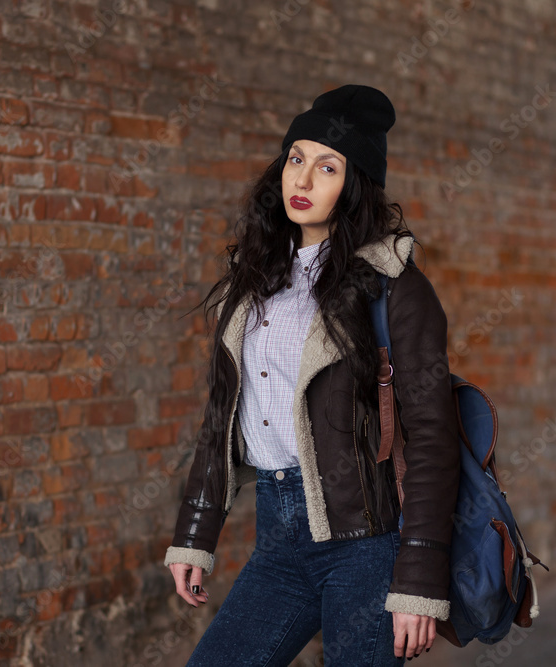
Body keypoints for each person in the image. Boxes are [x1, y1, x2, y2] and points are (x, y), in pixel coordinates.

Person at [163, 84, 461, 666]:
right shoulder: (252, 282)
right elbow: (221, 415)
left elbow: (431, 437)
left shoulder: (393, 286)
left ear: (352, 186)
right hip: (277, 539)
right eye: (296, 159)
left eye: (327, 167)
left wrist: (419, 576)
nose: (302, 181)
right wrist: (195, 533)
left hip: (367, 547)